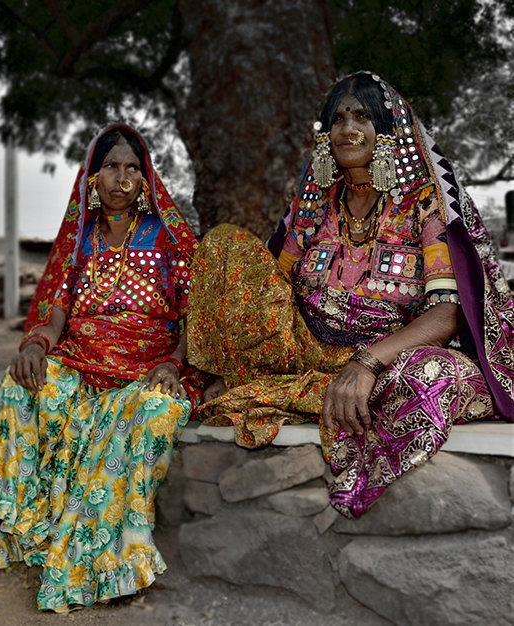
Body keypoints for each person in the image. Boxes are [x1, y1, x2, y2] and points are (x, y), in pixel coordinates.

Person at [186, 71, 514, 520]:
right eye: (337, 118)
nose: (347, 128)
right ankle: (270, 379)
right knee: (224, 243)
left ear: (389, 129)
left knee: (435, 374)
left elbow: (446, 316)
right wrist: (205, 356)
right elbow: (270, 285)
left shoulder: (423, 206)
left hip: (386, 360)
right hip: (308, 350)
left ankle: (334, 428)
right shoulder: (314, 206)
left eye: (362, 116)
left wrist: (366, 362)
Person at [0, 124, 207, 612]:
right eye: (111, 166)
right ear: (92, 178)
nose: (122, 177)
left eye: (133, 168)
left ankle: (113, 563)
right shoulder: (80, 241)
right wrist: (34, 347)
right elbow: (55, 320)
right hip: (82, 359)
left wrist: (176, 364)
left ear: (147, 177)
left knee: (155, 413)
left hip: (150, 366)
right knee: (24, 386)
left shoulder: (166, 237)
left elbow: (195, 317)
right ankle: (26, 530)